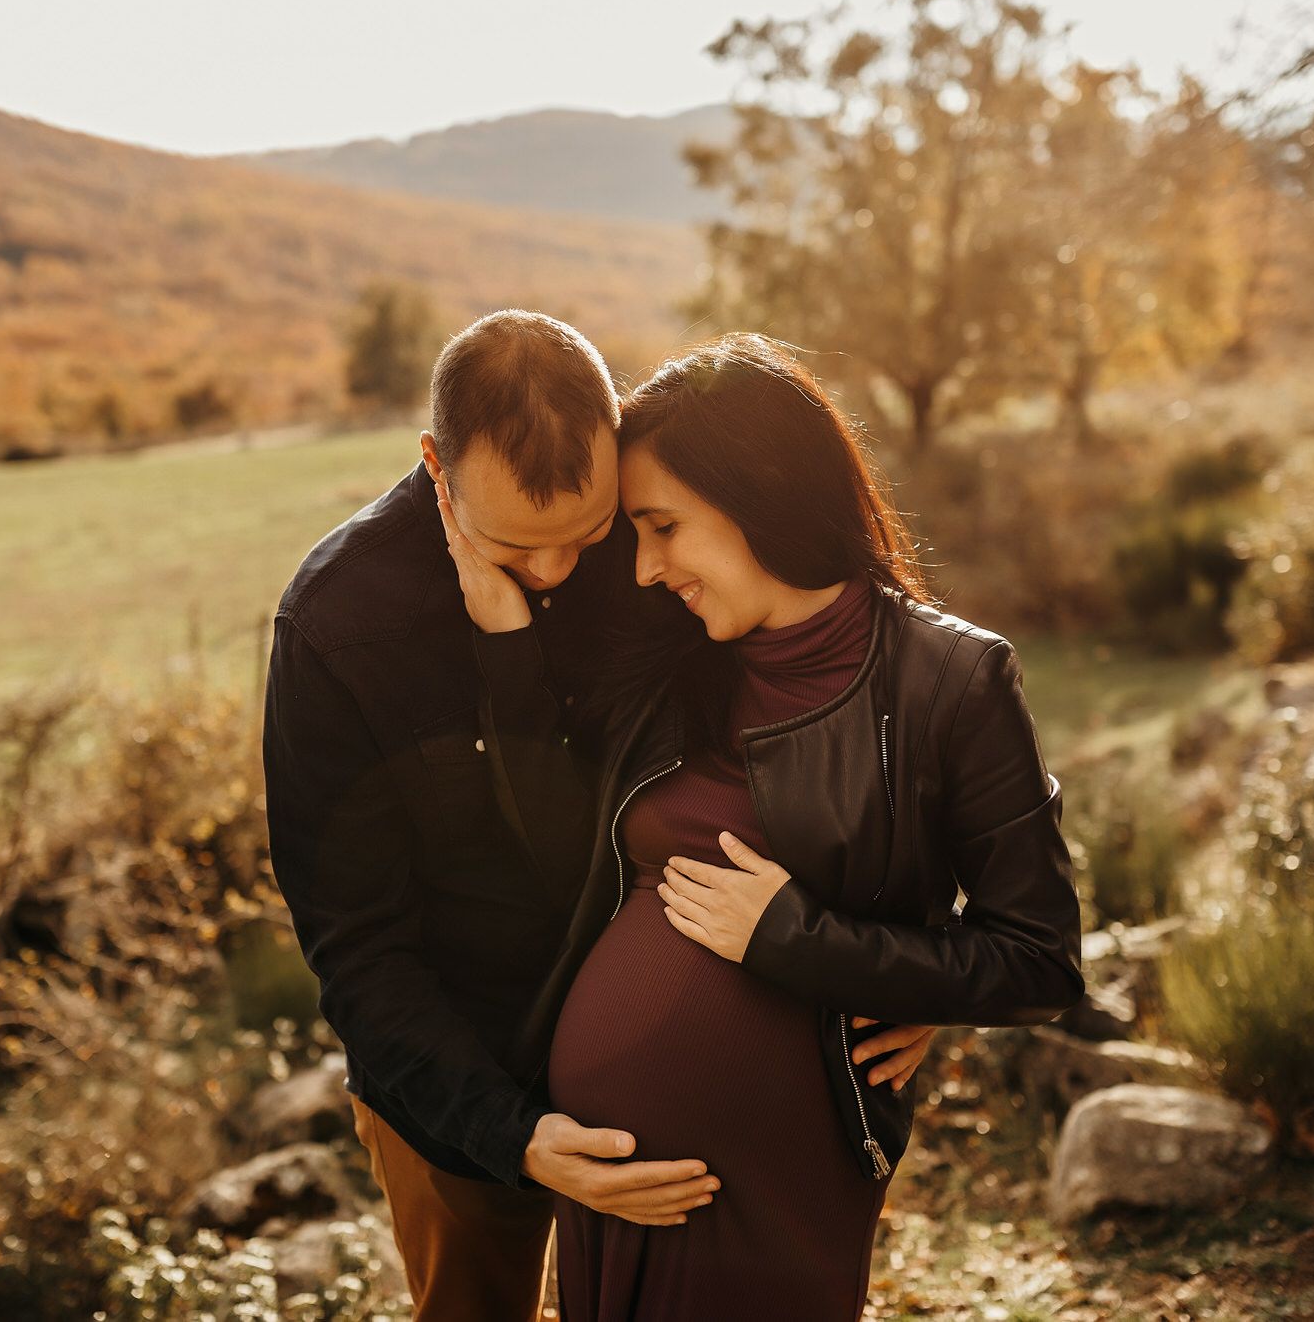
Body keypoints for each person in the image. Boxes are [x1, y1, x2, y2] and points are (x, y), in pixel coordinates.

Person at [262, 312, 937, 1322]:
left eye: (582, 537)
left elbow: (843, 721)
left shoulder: (665, 535)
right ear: (433, 467)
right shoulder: (337, 626)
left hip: (685, 1055)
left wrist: (909, 946)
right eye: (512, 548)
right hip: (463, 1079)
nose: (552, 575)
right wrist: (511, 1133)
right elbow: (359, 951)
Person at [455, 334, 1083, 1322]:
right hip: (612, 1185)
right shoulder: (674, 654)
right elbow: (547, 819)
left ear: (756, 495)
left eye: (663, 526)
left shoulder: (949, 682)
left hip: (777, 1175)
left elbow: (1038, 958)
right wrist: (500, 631)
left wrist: (803, 944)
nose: (647, 566)